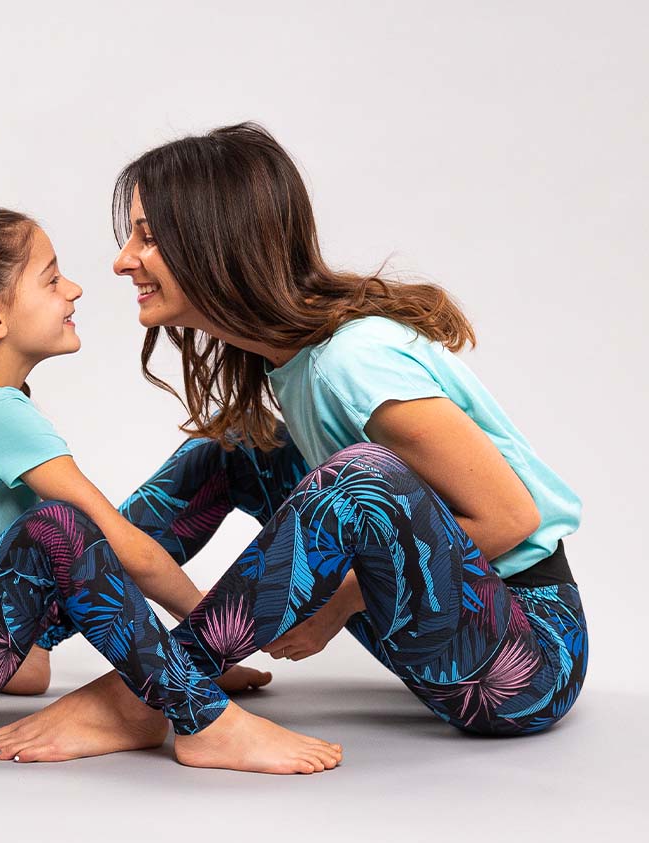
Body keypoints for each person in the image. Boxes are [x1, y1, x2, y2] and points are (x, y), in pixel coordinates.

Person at [102, 121, 588, 736]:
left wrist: (338, 603)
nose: (122, 261)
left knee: (362, 478)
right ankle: (37, 628)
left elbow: (510, 518)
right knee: (234, 450)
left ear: (214, 242)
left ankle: (149, 694)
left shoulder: (354, 360)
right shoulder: (293, 360)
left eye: (148, 238)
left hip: (527, 662)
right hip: (442, 623)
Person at [0, 208, 344, 774]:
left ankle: (40, 655)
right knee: (64, 528)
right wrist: (216, 629)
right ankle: (201, 717)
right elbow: (127, 549)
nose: (74, 290)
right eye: (52, 280)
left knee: (213, 454)